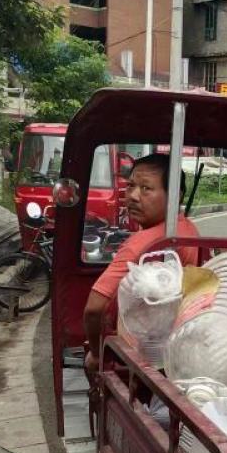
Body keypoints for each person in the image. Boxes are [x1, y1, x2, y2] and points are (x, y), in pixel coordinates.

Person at [83, 153, 199, 372]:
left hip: (145, 353)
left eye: (146, 188)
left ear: (176, 195)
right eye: (130, 186)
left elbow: (94, 308)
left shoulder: (142, 243)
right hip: (179, 347)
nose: (133, 196)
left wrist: (97, 355)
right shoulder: (189, 229)